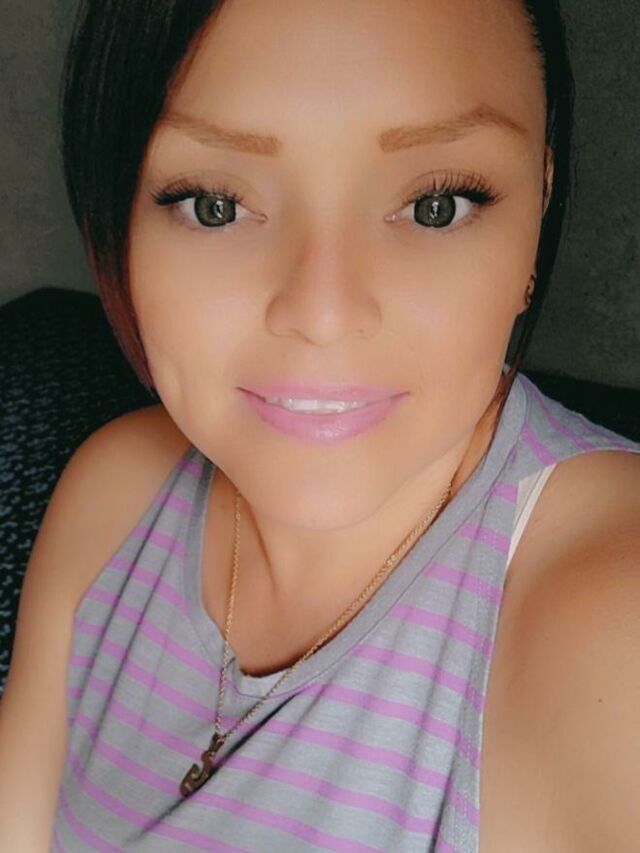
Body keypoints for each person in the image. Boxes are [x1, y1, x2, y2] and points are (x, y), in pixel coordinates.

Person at [0, 0, 639, 850]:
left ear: (539, 206)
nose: (322, 313)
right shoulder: (113, 496)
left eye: (437, 205)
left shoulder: (615, 624)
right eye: (216, 205)